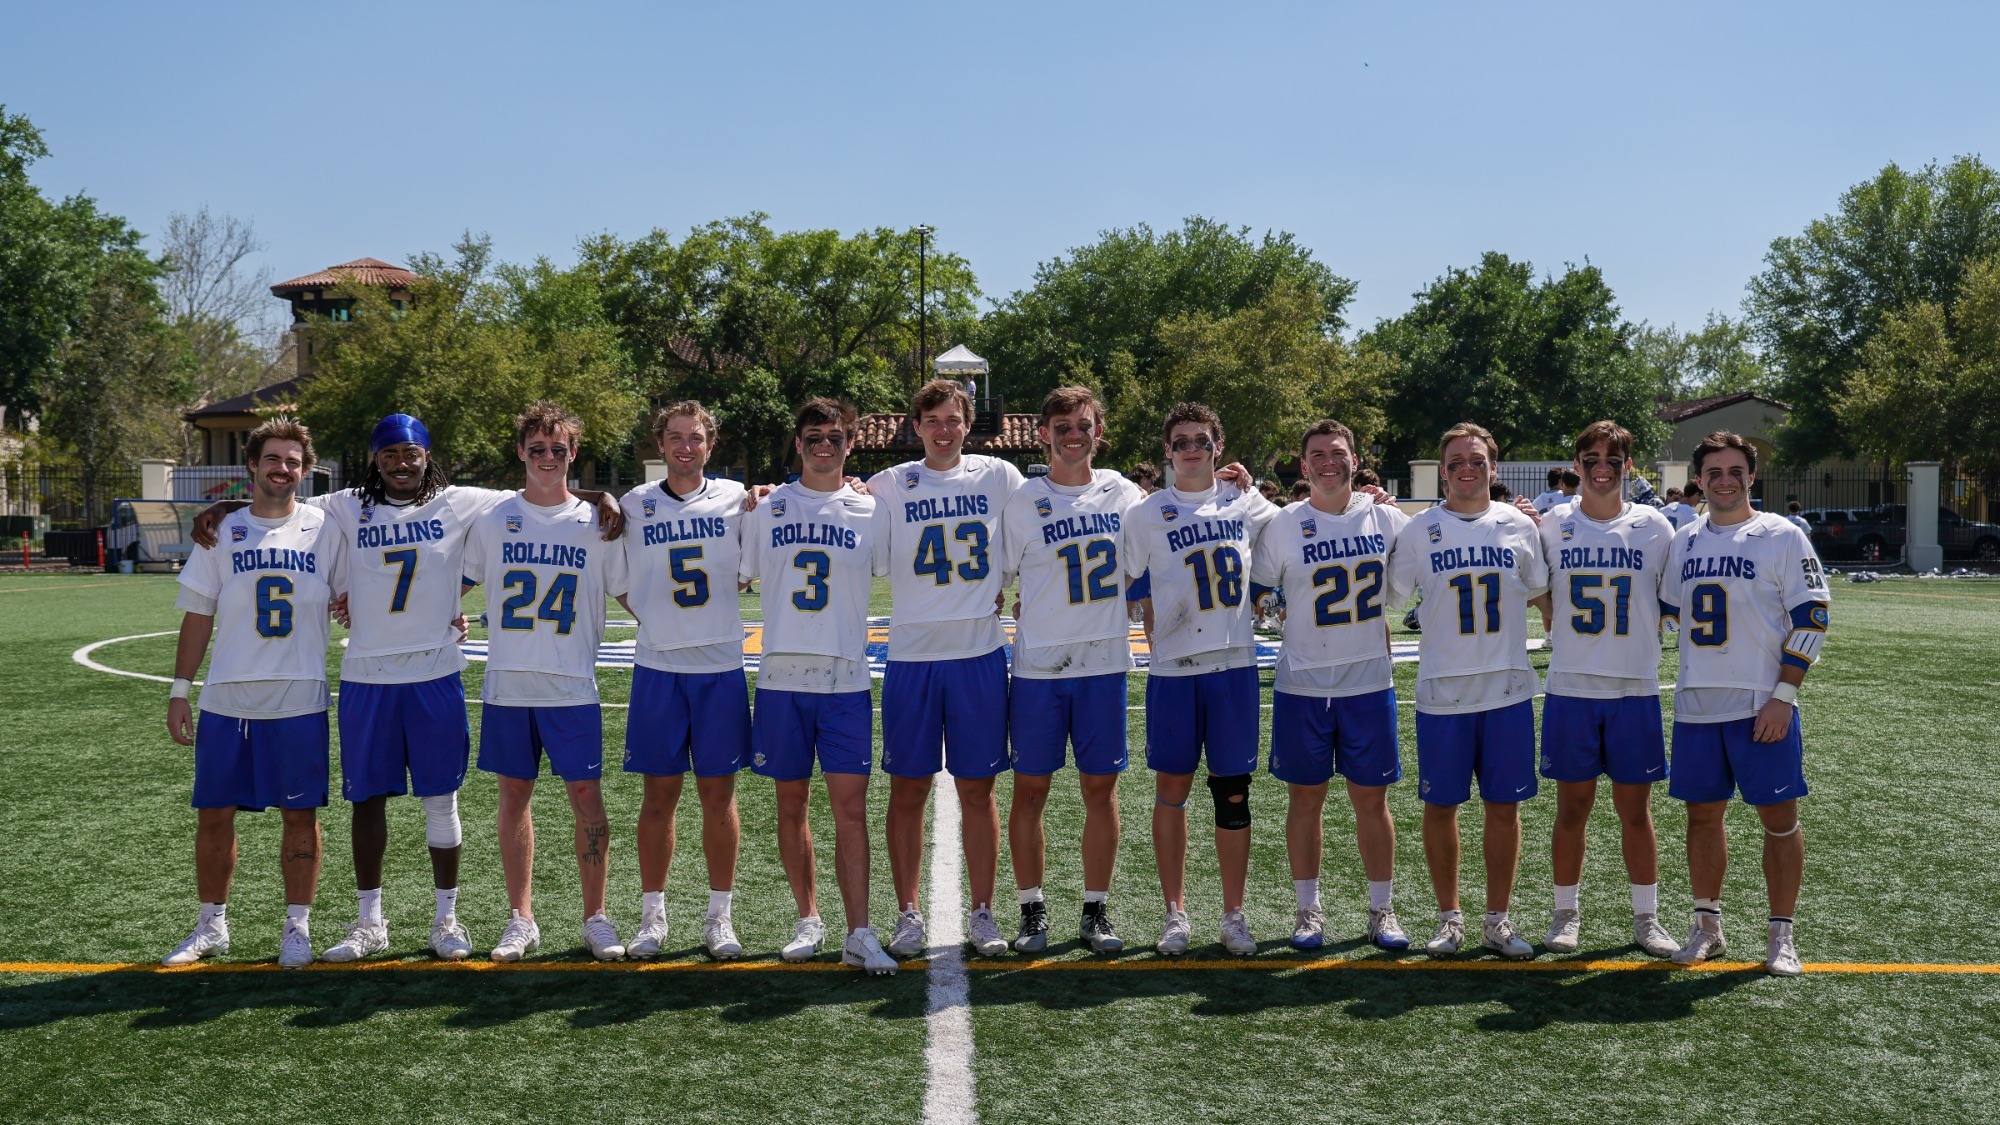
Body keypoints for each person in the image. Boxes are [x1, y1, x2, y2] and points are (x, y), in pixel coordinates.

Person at [187, 415, 623, 964]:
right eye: (389, 453)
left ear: (426, 456)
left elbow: (540, 492)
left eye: (410, 452)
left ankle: (447, 918)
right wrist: (226, 508)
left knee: (441, 799)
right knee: (368, 801)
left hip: (435, 672)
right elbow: (279, 502)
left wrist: (599, 494)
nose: (400, 461)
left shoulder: (459, 501)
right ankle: (370, 921)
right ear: (376, 459)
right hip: (367, 675)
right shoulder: (345, 505)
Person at [162, 417, 339, 968]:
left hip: (298, 697)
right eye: (273, 459)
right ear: (252, 466)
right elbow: (198, 614)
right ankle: (211, 925)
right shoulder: (221, 531)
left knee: (300, 817)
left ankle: (297, 928)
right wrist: (179, 690)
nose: (282, 469)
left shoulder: (328, 527)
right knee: (214, 815)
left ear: (306, 471)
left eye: (293, 461)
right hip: (226, 698)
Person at [463, 402, 631, 962]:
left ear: (573, 453)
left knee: (587, 796)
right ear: (521, 452)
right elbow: (453, 580)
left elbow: (628, 591)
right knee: (513, 796)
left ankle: (596, 916)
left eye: (558, 449)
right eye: (537, 448)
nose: (547, 458)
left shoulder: (597, 523)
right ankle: (521, 918)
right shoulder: (493, 518)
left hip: (571, 682)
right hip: (508, 683)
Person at [1663, 431, 1829, 976]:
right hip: (1697, 703)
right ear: (1700, 479)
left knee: (1779, 818)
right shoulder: (1684, 540)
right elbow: (1667, 612)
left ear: (1752, 477)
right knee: (1702, 817)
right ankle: (1707, 926)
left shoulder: (1782, 535)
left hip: (1762, 703)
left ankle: (1781, 933)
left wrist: (1784, 696)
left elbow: (1812, 619)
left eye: (1735, 471)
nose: (1725, 480)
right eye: (1714, 472)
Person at [868, 380, 1023, 959]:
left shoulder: (999, 476)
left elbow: (1046, 514)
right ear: (915, 426)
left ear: (968, 423)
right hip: (912, 656)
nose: (942, 430)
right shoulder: (889, 483)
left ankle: (982, 910)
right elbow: (832, 494)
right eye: (932, 420)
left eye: (953, 419)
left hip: (978, 653)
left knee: (978, 789)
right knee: (908, 788)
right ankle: (908, 912)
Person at [742, 398, 897, 975]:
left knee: (850, 810)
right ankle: (808, 918)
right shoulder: (766, 508)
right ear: (798, 442)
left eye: (835, 436)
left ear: (850, 444)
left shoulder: (871, 509)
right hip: (781, 677)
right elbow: (741, 572)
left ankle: (860, 931)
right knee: (791, 804)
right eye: (814, 436)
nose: (824, 445)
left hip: (845, 677)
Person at [1123, 402, 1282, 956]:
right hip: (1173, 670)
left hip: (1233, 666)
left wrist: (1369, 500)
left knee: (1232, 794)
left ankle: (1234, 914)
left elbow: (1298, 527)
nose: (1192, 449)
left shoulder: (1245, 501)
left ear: (1219, 447)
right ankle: (1175, 912)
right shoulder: (1145, 513)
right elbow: (1126, 577)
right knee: (1172, 790)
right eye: (1182, 442)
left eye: (1202, 441)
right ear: (1168, 451)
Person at [1386, 421, 1548, 960]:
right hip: (1443, 692)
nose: (1467, 468)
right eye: (1456, 460)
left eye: (1477, 460)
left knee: (1504, 808)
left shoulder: (1518, 525)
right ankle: (1449, 918)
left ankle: (1497, 920)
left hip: (1506, 689)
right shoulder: (1419, 529)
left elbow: (1542, 591)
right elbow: (1390, 594)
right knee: (1441, 806)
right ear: (1443, 469)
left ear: (1492, 467)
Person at [1249, 420, 1412, 951]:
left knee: (1372, 801)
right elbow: (1260, 589)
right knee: (1305, 799)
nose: (1327, 462)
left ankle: (1382, 908)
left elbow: (1417, 572)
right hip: (1303, 684)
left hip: (1368, 682)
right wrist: (1279, 612)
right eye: (1317, 454)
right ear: (1303, 465)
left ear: (1354, 460)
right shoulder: (1284, 523)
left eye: (1337, 452)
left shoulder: (1386, 517)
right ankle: (1308, 909)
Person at [1000, 386, 1149, 954]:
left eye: (1083, 425)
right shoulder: (1023, 500)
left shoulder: (1124, 492)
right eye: (1061, 426)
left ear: (1098, 432)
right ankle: (1031, 908)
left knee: (1100, 789)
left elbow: (1156, 545)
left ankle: (1095, 908)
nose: (1072, 435)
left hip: (1103, 663)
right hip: (1039, 666)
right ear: (1044, 433)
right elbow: (1000, 578)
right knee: (1030, 790)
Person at [1535, 421, 1681, 959]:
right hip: (1571, 687)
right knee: (1571, 808)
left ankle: (1647, 917)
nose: (1602, 468)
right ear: (1576, 464)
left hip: (1633, 687)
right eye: (1592, 458)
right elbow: (1532, 585)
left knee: (1635, 811)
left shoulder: (1654, 527)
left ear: (1628, 465)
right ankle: (1565, 912)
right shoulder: (1551, 524)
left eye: (1613, 459)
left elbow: (1673, 600)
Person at [618, 402, 752, 961]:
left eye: (695, 438)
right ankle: (653, 916)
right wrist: (656, 618)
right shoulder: (634, 503)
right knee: (658, 797)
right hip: (659, 668)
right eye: (675, 437)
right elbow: (617, 578)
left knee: (719, 797)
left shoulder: (737, 498)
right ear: (660, 443)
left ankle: (719, 916)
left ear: (710, 444)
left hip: (719, 666)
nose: (685, 447)